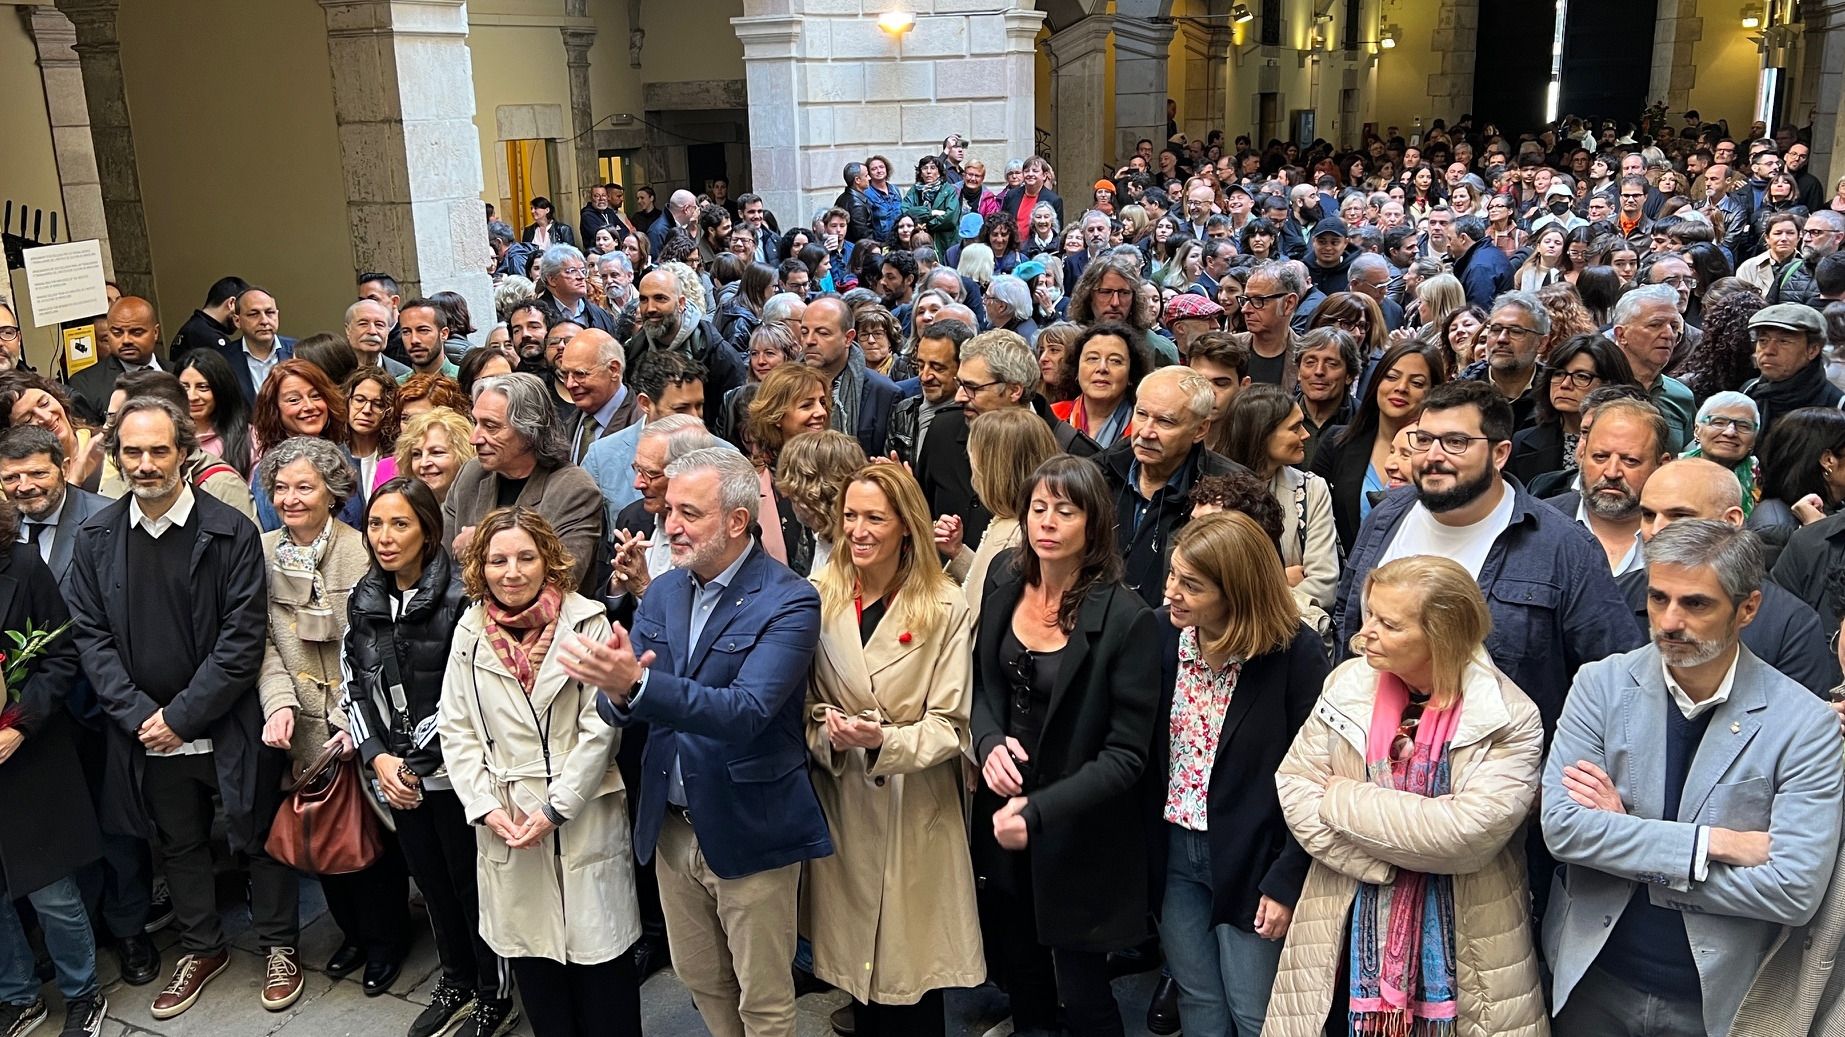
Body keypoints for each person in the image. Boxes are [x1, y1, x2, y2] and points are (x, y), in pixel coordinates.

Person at [1543, 520, 1845, 1035]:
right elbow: (1563, 829)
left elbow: (1794, 892)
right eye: (1658, 599)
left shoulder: (1804, 722)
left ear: (1747, 608)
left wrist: (1634, 848)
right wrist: (1715, 843)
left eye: (1696, 604)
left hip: (1714, 997)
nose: (1669, 621)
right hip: (1592, 976)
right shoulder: (1601, 685)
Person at [579, 447, 830, 1037]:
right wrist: (618, 694)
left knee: (764, 1000)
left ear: (737, 522)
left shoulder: (789, 600)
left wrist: (637, 686)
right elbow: (620, 705)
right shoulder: (664, 593)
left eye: (689, 513)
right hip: (670, 828)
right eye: (670, 510)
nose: (670, 525)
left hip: (748, 825)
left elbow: (746, 712)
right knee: (702, 980)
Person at [68, 396, 300, 1019]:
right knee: (180, 843)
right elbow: (91, 637)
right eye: (132, 452)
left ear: (186, 453)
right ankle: (202, 946)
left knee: (258, 833)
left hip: (225, 722)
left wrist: (181, 717)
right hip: (146, 732)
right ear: (116, 456)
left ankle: (279, 943)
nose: (145, 464)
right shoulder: (95, 539)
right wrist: (143, 716)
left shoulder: (231, 533)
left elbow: (242, 639)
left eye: (158, 450)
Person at [1270, 555, 1547, 1036]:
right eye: (1369, 614)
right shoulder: (1346, 684)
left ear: (1442, 636)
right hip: (1339, 923)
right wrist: (1382, 863)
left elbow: (1463, 836)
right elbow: (1293, 785)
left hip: (1471, 942)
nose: (1364, 633)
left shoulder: (1508, 716)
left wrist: (1339, 798)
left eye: (1389, 623)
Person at [970, 456, 1159, 1037]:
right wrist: (988, 742)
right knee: (1021, 971)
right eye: (1038, 508)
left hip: (1079, 825)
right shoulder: (1006, 581)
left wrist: (1040, 811)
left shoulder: (1128, 618)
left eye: (1066, 511)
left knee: (1083, 991)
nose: (1047, 522)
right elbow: (984, 687)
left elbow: (1127, 756)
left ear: (1094, 524)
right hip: (1004, 812)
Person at [1335, 379, 1642, 732]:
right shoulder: (1385, 518)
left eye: (1456, 442)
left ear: (1500, 454)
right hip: (1373, 756)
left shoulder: (1564, 548)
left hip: (1503, 768)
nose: (1434, 456)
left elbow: (1615, 678)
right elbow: (1349, 622)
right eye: (1424, 440)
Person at [440, 507, 641, 1037]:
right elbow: (456, 727)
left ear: (548, 560)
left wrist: (559, 805)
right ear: (480, 567)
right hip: (509, 820)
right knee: (539, 976)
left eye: (525, 557)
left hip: (583, 812)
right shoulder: (469, 631)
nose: (512, 572)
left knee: (604, 977)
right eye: (497, 560)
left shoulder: (587, 621)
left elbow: (602, 726)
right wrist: (483, 806)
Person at [804, 465, 983, 1035]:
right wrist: (826, 732)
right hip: (844, 808)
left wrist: (885, 740)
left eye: (874, 517)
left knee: (912, 985)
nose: (858, 530)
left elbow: (953, 727)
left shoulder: (946, 605)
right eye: (850, 516)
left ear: (907, 525)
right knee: (858, 983)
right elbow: (804, 705)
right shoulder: (818, 598)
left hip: (915, 813)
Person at [344, 477, 512, 1037]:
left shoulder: (463, 598)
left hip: (457, 777)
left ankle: (495, 993)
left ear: (428, 530)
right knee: (432, 885)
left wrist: (415, 760)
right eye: (375, 524)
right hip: (400, 776)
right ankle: (456, 978)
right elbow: (355, 683)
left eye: (400, 524)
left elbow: (468, 692)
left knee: (473, 885)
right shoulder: (364, 598)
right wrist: (377, 758)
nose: (385, 538)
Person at [1150, 512, 1329, 1037]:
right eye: (1173, 575)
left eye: (1191, 584)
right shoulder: (1161, 635)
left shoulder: (1295, 653)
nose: (1171, 593)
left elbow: (1315, 777)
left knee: (1256, 1015)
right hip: (1174, 851)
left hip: (1254, 859)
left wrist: (1286, 880)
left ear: (1238, 593)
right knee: (1199, 1002)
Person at [250, 436, 413, 1002]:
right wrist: (280, 704)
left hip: (356, 723)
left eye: (304, 487)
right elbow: (264, 642)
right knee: (322, 840)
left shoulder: (360, 550)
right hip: (299, 727)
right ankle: (351, 936)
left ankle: (387, 940)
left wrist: (353, 718)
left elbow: (373, 643)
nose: (291, 499)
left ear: (333, 492)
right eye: (281, 488)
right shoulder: (263, 550)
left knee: (370, 841)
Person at [0, 490, 106, 1037]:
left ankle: (82, 992)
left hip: (25, 756)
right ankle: (18, 995)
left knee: (51, 891)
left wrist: (19, 723)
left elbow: (63, 654)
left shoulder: (22, 565)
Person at [1629, 457, 1840, 694]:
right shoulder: (1617, 595)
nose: (1656, 530)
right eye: (1648, 515)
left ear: (1731, 521)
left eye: (1679, 516)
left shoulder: (1790, 623)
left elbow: (1797, 722)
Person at [443, 373, 605, 594]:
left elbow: (563, 579)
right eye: (476, 423)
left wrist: (482, 543)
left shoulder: (573, 490)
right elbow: (440, 562)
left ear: (530, 431)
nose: (475, 438)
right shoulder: (472, 474)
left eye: (490, 426)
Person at [1096, 366, 1243, 606]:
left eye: (1165, 422)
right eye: (1141, 414)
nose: (1146, 431)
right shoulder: (1097, 473)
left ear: (1200, 430)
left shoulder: (1230, 492)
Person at [1309, 338, 1448, 553]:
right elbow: (1311, 517)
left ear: (1433, 393)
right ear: (1376, 383)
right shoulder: (1337, 442)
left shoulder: (1442, 457)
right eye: (1391, 377)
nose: (1401, 388)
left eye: (1417, 383)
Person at [1219, 384, 1339, 624]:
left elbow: (1323, 584)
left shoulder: (1311, 490)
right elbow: (1208, 584)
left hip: (1289, 635)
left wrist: (1244, 595)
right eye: (1295, 428)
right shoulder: (1212, 490)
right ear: (1262, 434)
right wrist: (1279, 580)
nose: (1306, 435)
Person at [936, 408, 1058, 617]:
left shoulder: (1024, 535)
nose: (974, 475)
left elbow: (989, 609)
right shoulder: (1007, 520)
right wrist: (958, 552)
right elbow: (989, 584)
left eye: (976, 464)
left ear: (994, 471)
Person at [1545, 397, 1674, 577]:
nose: (1612, 473)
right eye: (1600, 457)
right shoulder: (1537, 523)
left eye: (1630, 460)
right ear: (1582, 455)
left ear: (1661, 466)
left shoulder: (1682, 539)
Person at [1508, 333, 1635, 487]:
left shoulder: (1633, 443)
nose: (1565, 384)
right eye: (1558, 374)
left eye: (1581, 376)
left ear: (1609, 384)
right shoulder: (1522, 441)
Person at [1610, 285, 1697, 452]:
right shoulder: (1596, 385)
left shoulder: (1681, 396)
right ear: (1621, 335)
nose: (1668, 334)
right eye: (1655, 325)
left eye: (1673, 326)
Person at [1743, 301, 1845, 430]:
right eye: (1763, 340)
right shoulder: (1750, 391)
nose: (1769, 350)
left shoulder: (1837, 406)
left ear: (1812, 350)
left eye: (1784, 341)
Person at [1051, 323, 1151, 449]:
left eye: (1115, 361)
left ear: (1131, 374)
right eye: (1093, 358)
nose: (1102, 368)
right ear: (1076, 370)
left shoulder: (1143, 429)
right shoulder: (1052, 417)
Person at [888, 318, 969, 467]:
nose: (925, 377)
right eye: (920, 365)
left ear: (962, 367)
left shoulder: (973, 417)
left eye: (937, 368)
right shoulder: (904, 412)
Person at [175, 348, 256, 479]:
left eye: (203, 387)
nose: (192, 396)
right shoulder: (169, 436)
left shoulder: (250, 438)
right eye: (184, 387)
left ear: (222, 389)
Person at [1681, 392, 1764, 517]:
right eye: (1718, 422)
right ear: (1697, 430)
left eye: (1743, 426)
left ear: (1753, 439)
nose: (1730, 432)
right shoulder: (1673, 472)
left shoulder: (1763, 480)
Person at [393, 407, 475, 506]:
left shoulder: (479, 506)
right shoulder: (404, 508)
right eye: (416, 454)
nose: (424, 463)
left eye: (436, 452)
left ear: (464, 454)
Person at [343, 367, 402, 503]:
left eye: (378, 404)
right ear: (347, 401)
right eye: (359, 400)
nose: (367, 410)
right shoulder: (332, 454)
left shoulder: (397, 459)